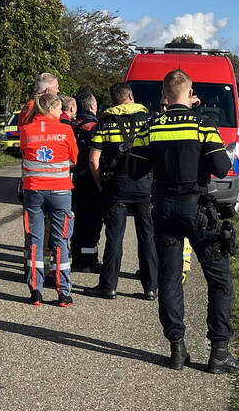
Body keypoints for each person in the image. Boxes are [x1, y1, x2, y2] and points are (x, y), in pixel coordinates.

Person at [129, 69, 239, 373]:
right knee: (219, 279)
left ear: (164, 96)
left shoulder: (150, 126)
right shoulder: (203, 124)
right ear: (191, 93)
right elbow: (221, 169)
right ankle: (219, 352)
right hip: (197, 209)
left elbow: (135, 169)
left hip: (164, 210)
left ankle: (177, 350)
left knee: (169, 280)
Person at [86, 83, 158, 301]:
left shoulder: (104, 122)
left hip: (116, 186)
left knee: (114, 238)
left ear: (113, 99)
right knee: (147, 236)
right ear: (131, 96)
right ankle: (151, 287)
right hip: (145, 184)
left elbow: (93, 159)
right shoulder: (149, 120)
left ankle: (109, 286)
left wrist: (100, 186)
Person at [19, 93, 79, 307]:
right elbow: (74, 158)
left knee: (35, 241)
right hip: (60, 192)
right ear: (53, 109)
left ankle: (35, 291)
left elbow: (25, 153)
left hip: (33, 191)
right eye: (59, 109)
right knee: (60, 241)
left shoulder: (26, 130)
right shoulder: (66, 130)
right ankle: (63, 293)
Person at [70, 91, 102, 273]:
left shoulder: (69, 125)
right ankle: (89, 260)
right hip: (90, 179)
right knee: (92, 222)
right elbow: (96, 157)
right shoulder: (94, 127)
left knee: (75, 219)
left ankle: (76, 258)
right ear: (91, 106)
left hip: (72, 179)